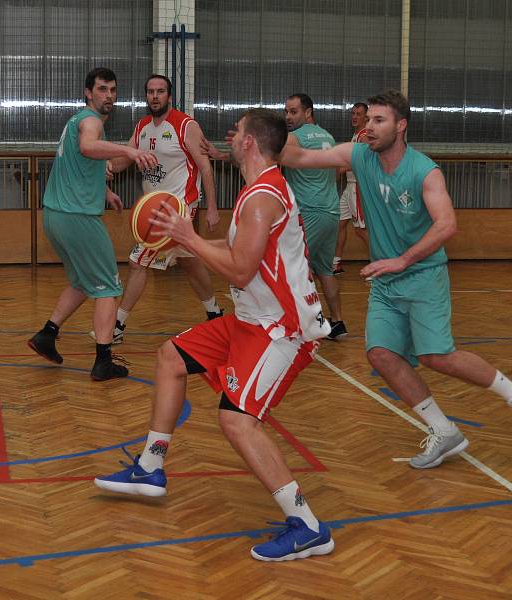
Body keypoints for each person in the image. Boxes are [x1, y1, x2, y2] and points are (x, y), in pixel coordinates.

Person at [95, 108, 335, 562]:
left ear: (250, 143)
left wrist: (188, 237)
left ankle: (307, 525)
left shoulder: (263, 196)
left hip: (280, 329)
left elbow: (242, 269)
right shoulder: (257, 190)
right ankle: (150, 466)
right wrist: (180, 238)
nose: (231, 132)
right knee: (171, 357)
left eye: (238, 129)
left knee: (236, 420)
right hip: (249, 318)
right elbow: (238, 250)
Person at [281, 90, 512, 468]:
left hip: (423, 274)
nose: (369, 128)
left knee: (437, 356)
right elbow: (298, 157)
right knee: (380, 354)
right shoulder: (359, 155)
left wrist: (402, 259)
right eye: (368, 120)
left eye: (379, 121)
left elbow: (447, 225)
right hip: (388, 281)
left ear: (401, 126)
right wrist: (261, 136)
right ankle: (444, 431)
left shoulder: (425, 170)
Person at [27, 67, 157, 380]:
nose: (108, 95)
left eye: (112, 90)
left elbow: (80, 163)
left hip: (56, 216)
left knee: (84, 282)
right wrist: (129, 150)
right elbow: (87, 147)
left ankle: (47, 334)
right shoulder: (90, 121)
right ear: (88, 92)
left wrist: (106, 190)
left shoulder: (77, 120)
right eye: (102, 89)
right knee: (108, 288)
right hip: (78, 219)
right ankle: (103, 361)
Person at [101, 74, 223, 344]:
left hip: (178, 209)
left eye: (160, 92)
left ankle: (117, 326)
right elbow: (126, 159)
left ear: (169, 96)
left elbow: (205, 167)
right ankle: (215, 314)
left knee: (137, 262)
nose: (154, 96)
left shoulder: (186, 126)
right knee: (190, 263)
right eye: (150, 92)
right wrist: (108, 166)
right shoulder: (142, 126)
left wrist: (211, 207)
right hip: (154, 207)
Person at [283, 93, 347, 340]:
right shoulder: (328, 136)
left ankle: (306, 322)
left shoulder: (294, 138)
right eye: (286, 111)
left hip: (309, 211)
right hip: (331, 211)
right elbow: (337, 171)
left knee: (295, 268)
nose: (288, 116)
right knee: (325, 270)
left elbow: (269, 159)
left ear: (308, 112)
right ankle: (338, 322)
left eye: (294, 111)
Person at [333, 102, 370, 274]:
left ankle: (380, 266)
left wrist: (342, 167)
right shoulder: (355, 135)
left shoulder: (364, 137)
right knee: (339, 223)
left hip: (358, 187)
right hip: (349, 187)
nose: (354, 117)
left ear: (366, 117)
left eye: (358, 114)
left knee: (361, 230)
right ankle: (336, 263)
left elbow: (364, 163)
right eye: (353, 113)